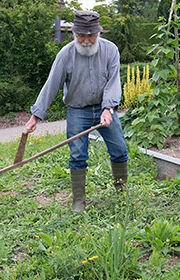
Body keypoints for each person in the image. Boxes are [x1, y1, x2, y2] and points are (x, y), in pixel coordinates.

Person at [25, 10, 128, 212]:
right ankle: (79, 202)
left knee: (119, 150)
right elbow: (51, 85)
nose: (87, 41)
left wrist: (108, 108)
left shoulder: (111, 50)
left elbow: (113, 82)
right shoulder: (65, 55)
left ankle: (121, 194)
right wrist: (35, 115)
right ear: (74, 33)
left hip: (103, 108)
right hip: (77, 110)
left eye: (91, 35)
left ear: (98, 33)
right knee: (78, 155)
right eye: (82, 36)